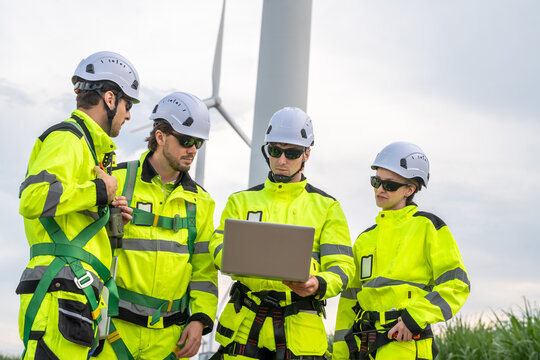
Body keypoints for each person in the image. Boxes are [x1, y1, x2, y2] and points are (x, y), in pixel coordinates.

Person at [17, 51, 140, 359]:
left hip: (73, 293)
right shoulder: (67, 139)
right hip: (59, 292)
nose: (128, 116)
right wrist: (98, 191)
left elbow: (70, 211)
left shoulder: (88, 149)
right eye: (128, 105)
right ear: (110, 99)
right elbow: (33, 198)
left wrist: (109, 214)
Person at [209, 107, 355, 360]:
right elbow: (217, 245)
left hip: (298, 331)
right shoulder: (240, 201)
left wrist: (318, 284)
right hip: (244, 328)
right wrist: (233, 258)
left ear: (307, 153)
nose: (282, 160)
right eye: (275, 151)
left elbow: (342, 268)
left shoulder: (327, 208)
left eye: (292, 153)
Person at [92, 92, 218, 360]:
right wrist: (104, 217)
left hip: (169, 342)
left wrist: (199, 319)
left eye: (198, 143)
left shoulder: (202, 203)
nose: (193, 149)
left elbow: (204, 270)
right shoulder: (116, 179)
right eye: (186, 140)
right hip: (113, 334)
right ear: (160, 137)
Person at [332, 141, 470, 360]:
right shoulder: (365, 239)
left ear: (410, 189)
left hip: (406, 348)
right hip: (364, 350)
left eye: (390, 185)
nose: (380, 189)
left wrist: (414, 317)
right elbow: (348, 304)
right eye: (376, 181)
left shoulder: (428, 227)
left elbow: (457, 285)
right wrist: (339, 355)